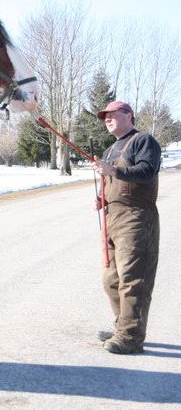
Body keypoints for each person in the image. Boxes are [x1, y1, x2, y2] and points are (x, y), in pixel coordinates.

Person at [92, 101, 161, 354]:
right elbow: (112, 178)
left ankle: (131, 336)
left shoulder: (144, 141)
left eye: (112, 115)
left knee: (133, 279)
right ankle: (123, 325)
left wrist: (112, 171)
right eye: (105, 116)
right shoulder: (111, 148)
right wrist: (102, 198)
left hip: (136, 217)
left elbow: (146, 170)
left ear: (129, 115)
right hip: (112, 218)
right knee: (111, 278)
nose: (107, 119)